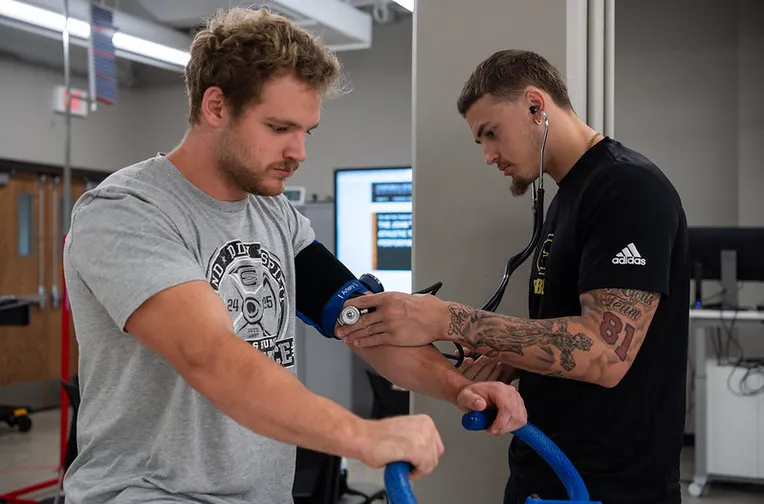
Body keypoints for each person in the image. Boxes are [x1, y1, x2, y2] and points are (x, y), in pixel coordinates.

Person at [61, 10, 528, 504]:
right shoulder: (126, 211)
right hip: (147, 494)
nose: (299, 151)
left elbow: (360, 320)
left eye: (307, 130)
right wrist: (362, 436)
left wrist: (459, 388)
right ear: (216, 106)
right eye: (279, 127)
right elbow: (207, 352)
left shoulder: (275, 215)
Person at [336, 49, 690, 504]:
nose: (488, 156)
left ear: (535, 105)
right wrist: (509, 355)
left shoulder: (628, 189)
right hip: (542, 470)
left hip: (608, 484)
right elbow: (568, 334)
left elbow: (605, 352)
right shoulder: (568, 197)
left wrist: (450, 319)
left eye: (491, 133)